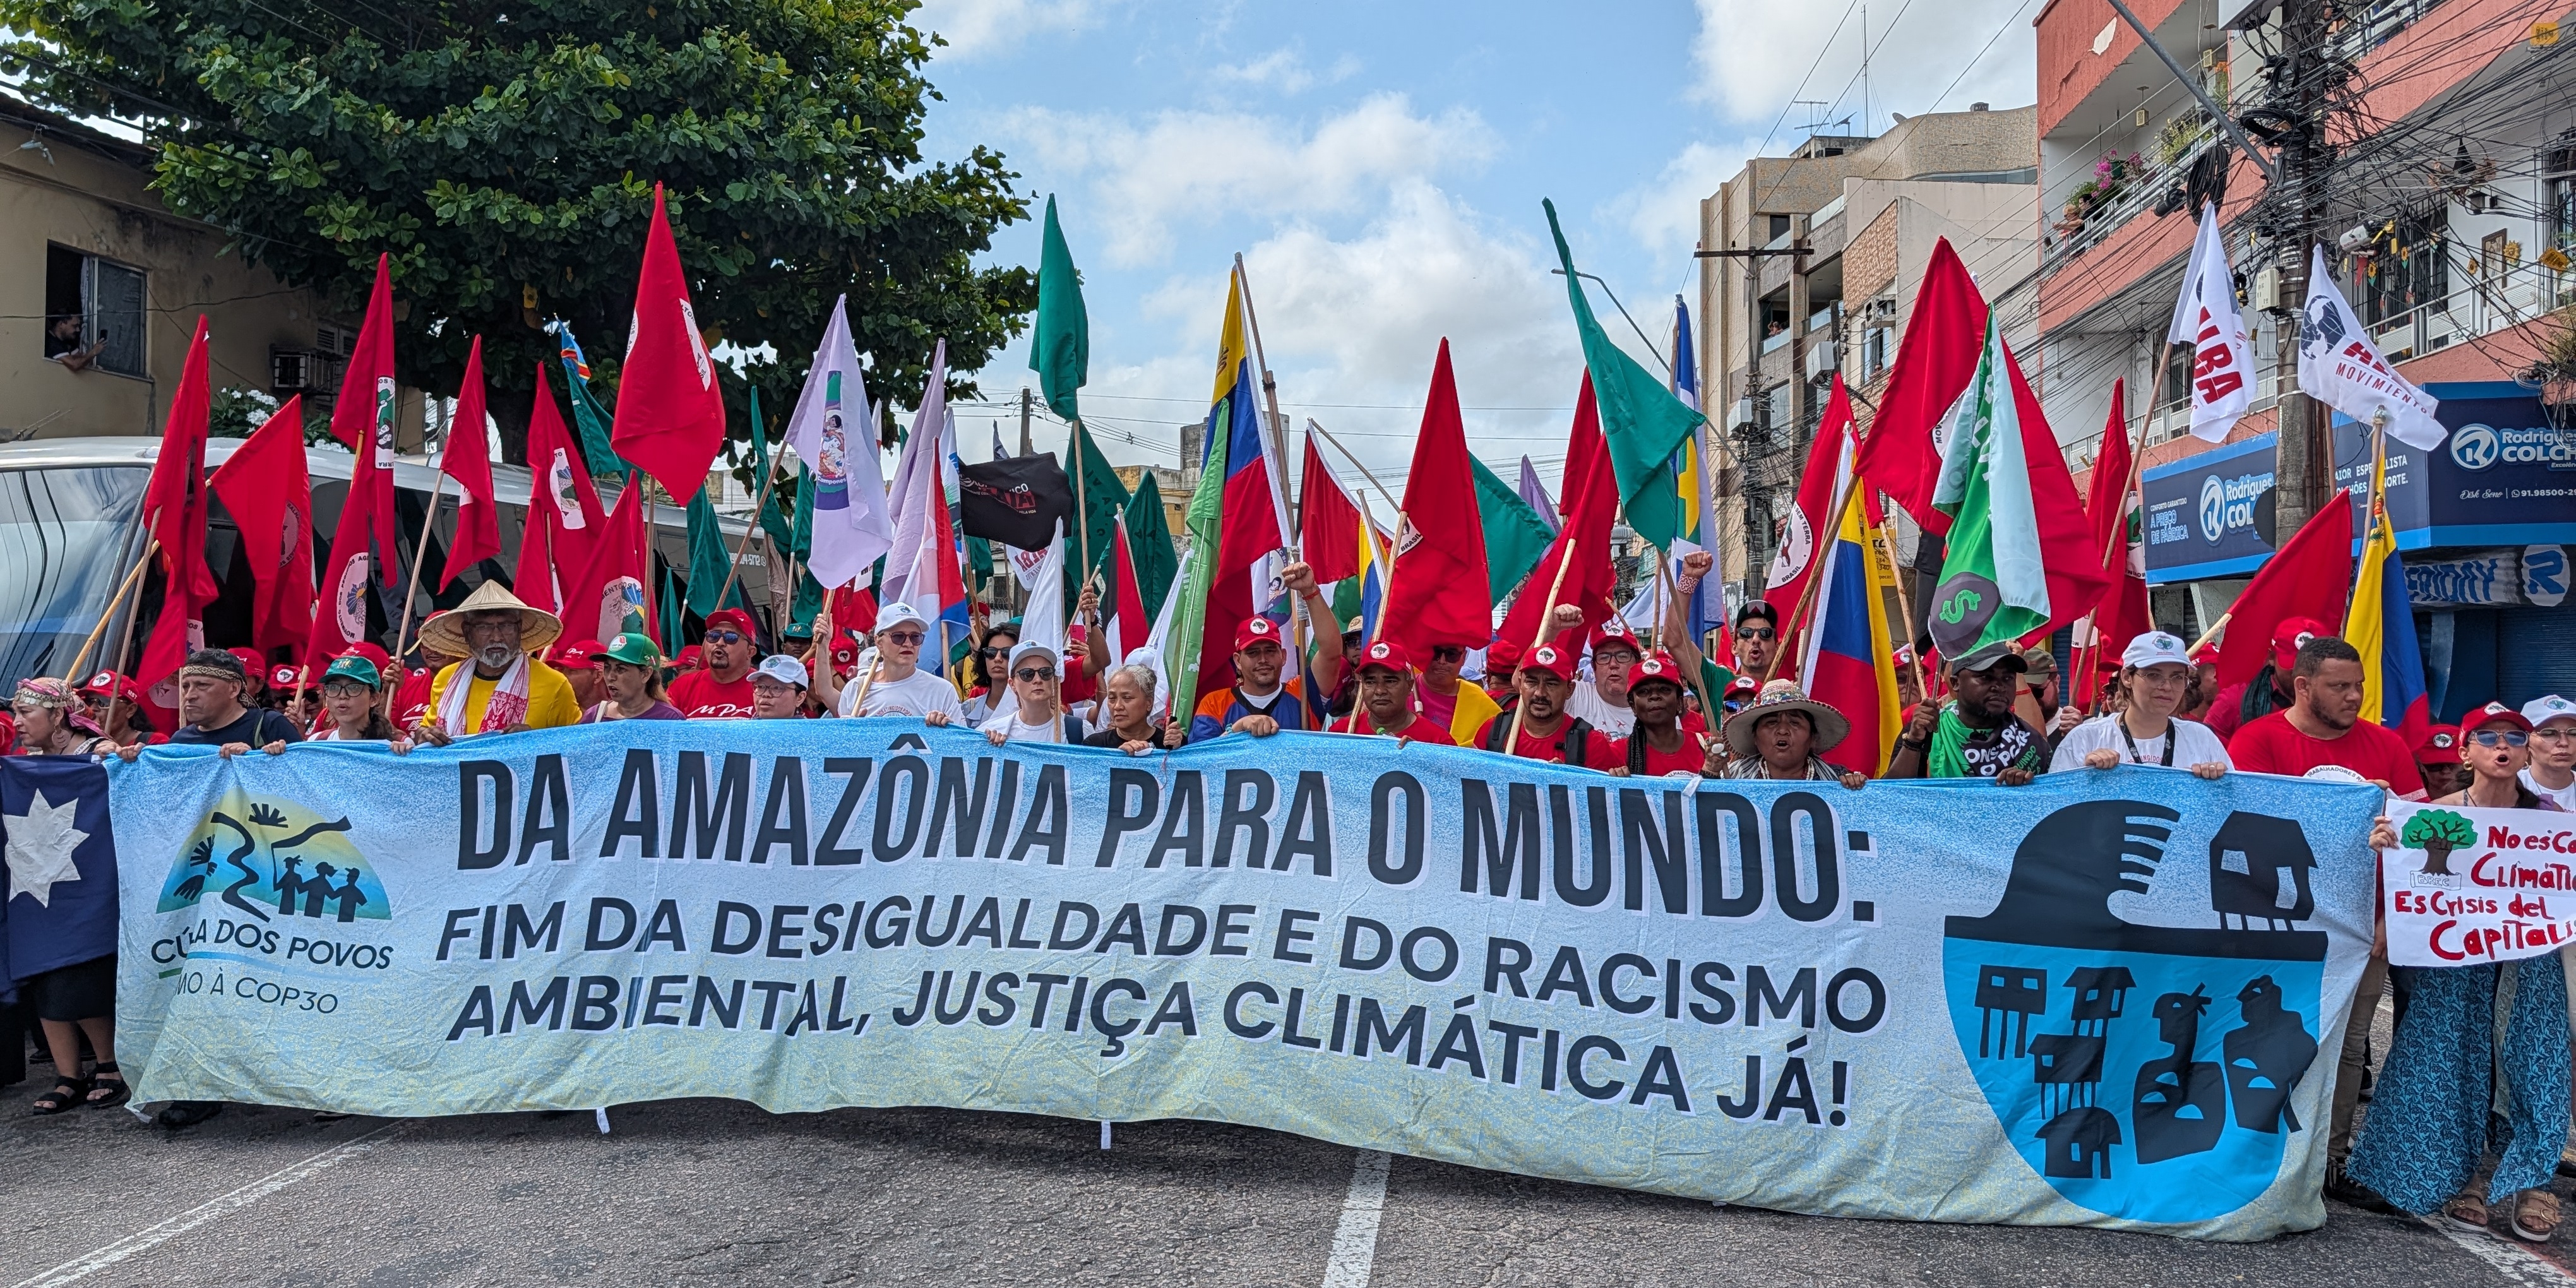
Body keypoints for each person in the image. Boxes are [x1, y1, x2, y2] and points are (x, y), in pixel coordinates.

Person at [2347, 701, 2569, 1238]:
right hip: (2455, 962)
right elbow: (2406, 883)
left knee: (2536, 1060)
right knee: (2450, 1055)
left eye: (2514, 737)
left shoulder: (2553, 826)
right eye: (2488, 736)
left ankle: (2533, 1181)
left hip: (2530, 960)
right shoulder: (2430, 814)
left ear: (2525, 752)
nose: (2502, 746)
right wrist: (2385, 846)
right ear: (2466, 751)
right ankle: (2463, 1177)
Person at [12, 679, 124, 1114]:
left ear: (58, 715)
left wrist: (114, 763)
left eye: (28, 714)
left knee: (80, 976)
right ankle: (67, 1074)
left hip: (87, 888)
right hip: (36, 888)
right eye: (17, 714)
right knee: (42, 975)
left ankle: (109, 1065)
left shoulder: (96, 754)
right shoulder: (24, 764)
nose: (18, 723)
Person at [2225, 636, 2424, 791]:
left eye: (2359, 685)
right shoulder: (2254, 740)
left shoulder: (2389, 744)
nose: (2355, 696)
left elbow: (2413, 820)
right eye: (2340, 686)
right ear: (2303, 687)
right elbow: (2254, 821)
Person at [410, 581, 581, 744]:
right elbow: (426, 732)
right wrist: (423, 735)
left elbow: (579, 747)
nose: (497, 637)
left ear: (519, 629)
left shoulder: (554, 684)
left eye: (506, 626)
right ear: (467, 632)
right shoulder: (446, 679)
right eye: (484, 627)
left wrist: (536, 741)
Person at [2049, 631, 2230, 778]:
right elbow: (2055, 811)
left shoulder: (2202, 739)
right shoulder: (2085, 740)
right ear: (2127, 678)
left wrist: (2217, 785)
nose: (2167, 687)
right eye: (2154, 675)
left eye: (2176, 677)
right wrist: (2084, 778)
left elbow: (2232, 805)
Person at [1885, 641, 2046, 784]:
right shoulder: (1927, 728)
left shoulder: (2029, 741)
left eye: (2008, 678)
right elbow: (1891, 796)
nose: (1999, 686)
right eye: (1985, 677)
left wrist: (2024, 788)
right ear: (1955, 683)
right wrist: (1914, 741)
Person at [1472, 645, 1617, 768]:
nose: (1540, 693)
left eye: (1551, 684)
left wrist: (1569, 782)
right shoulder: (1492, 731)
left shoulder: (1591, 745)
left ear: (1569, 690)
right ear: (1520, 685)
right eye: (1532, 682)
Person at [824, 602, 966, 724]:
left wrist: (945, 728)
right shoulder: (855, 690)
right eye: (898, 637)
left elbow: (961, 747)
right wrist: (850, 732)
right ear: (879, 642)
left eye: (915, 637)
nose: (908, 644)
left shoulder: (942, 691)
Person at [1184, 614, 1315, 744]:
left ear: (1284, 656)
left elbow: (1330, 653)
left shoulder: (1303, 692)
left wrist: (1311, 594)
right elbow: (1200, 758)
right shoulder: (1214, 703)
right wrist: (1237, 728)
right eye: (1253, 653)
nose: (1263, 660)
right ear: (1238, 661)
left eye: (1270, 651)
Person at [1712, 679, 1868, 788]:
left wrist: (1857, 787)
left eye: (1795, 723)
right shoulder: (1731, 778)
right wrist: (1710, 771)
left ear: (1813, 737)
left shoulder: (1837, 779)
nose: (1782, 731)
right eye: (1771, 722)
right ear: (1755, 738)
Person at [2208, 617, 2321, 742]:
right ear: (2272, 657)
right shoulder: (2234, 701)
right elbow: (2206, 749)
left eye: (2312, 669)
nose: (2303, 676)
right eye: (2294, 668)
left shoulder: (2339, 703)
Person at [1327, 641, 1454, 745]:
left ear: (1409, 686)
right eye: (1370, 682)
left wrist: (1421, 757)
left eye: (1391, 681)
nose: (1380, 691)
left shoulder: (1438, 742)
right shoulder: (1341, 734)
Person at [1613, 652, 1708, 777]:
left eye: (1664, 689)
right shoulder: (1618, 754)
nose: (1654, 696)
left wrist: (1713, 768)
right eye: (1644, 692)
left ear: (1679, 702)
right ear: (1633, 706)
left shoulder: (1706, 746)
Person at [979, 641, 1086, 744]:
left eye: (1046, 672)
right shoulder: (993, 731)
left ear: (1054, 680)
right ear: (1013, 685)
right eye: (1027, 674)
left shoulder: (1079, 730)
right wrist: (988, 748)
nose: (1038, 680)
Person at [1556, 612, 1643, 737]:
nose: (1613, 664)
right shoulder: (1574, 694)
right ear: (1594, 667)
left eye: (1623, 656)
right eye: (1604, 657)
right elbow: (1522, 684)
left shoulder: (1652, 708)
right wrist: (1551, 629)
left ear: (1637, 664)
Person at [289, 655, 406, 746]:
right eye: (334, 688)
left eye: (354, 688)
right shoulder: (317, 742)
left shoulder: (399, 744)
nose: (342, 695)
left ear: (374, 699)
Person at [666, 609, 760, 719]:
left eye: (731, 638)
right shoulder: (682, 686)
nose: (719, 643)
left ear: (750, 652)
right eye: (713, 636)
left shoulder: (765, 688)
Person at [582, 634, 684, 723]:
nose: (610, 677)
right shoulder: (594, 717)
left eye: (621, 669)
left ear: (645, 674)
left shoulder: (670, 719)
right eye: (607, 668)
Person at [1083, 662, 1167, 752]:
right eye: (1112, 698)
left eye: (1127, 698)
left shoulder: (1168, 745)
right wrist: (1119, 756)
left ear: (1149, 703)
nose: (1117, 706)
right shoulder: (1094, 745)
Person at [2519, 694, 2576, 809]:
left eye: (2573, 733)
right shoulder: (2509, 789)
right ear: (2526, 741)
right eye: (2549, 733)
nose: (2564, 742)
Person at [962, 620, 1019, 725]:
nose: (997, 659)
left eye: (1007, 653)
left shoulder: (1032, 714)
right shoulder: (967, 711)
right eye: (991, 652)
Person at [79, 670, 158, 745]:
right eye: (89, 701)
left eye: (104, 702)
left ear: (130, 710)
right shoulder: (82, 743)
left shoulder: (153, 742)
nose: (93, 708)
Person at [1732, 599, 1783, 683]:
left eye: (1765, 633)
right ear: (1735, 648)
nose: (1756, 639)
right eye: (1746, 633)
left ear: (1777, 649)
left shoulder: (1787, 693)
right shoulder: (1720, 685)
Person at [2413, 724, 2466, 800]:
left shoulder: (2485, 800)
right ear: (2421, 767)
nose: (2445, 771)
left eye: (2452, 766)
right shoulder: (2406, 799)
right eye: (2436, 766)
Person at [553, 640, 607, 713]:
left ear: (598, 676)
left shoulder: (620, 716)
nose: (563, 676)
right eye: (562, 669)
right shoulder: (556, 712)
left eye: (572, 671)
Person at [749, 655, 809, 719]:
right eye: (761, 686)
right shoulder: (744, 727)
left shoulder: (808, 729)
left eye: (777, 688)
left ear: (800, 698)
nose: (766, 694)